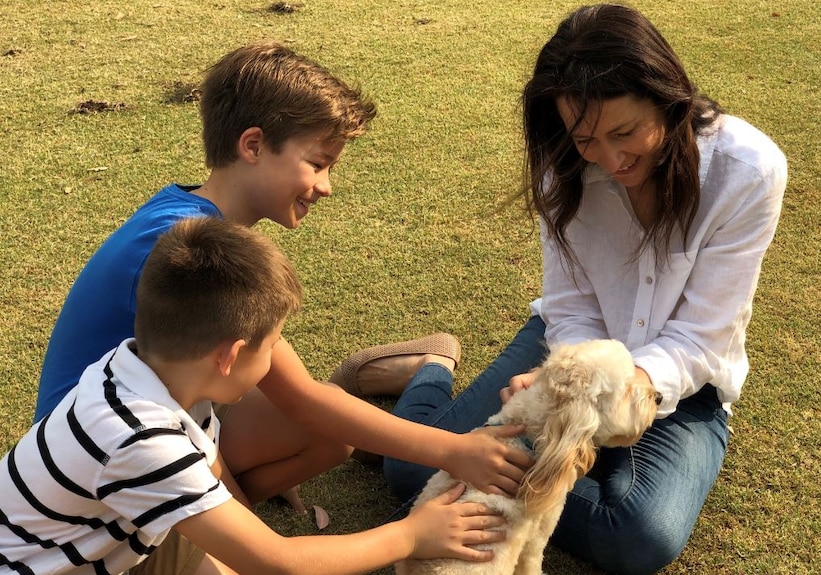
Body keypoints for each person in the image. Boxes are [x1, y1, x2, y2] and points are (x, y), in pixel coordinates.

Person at [32, 42, 531, 569]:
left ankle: (219, 506)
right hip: (102, 458)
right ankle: (212, 511)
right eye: (317, 163)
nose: (327, 186)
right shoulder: (182, 248)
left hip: (163, 411)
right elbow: (285, 406)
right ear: (253, 145)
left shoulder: (201, 226)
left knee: (329, 432)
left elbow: (300, 401)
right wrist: (450, 455)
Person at [383, 4, 787, 574]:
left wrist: (616, 395)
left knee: (640, 536)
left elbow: (702, 336)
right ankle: (428, 367)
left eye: (624, 132)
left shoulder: (748, 170)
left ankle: (552, 467)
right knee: (407, 468)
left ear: (668, 97)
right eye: (587, 139)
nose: (611, 158)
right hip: (570, 359)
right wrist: (559, 389)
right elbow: (570, 307)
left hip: (678, 382)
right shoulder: (564, 168)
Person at [0, 216, 509, 575]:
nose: (274, 359)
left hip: (116, 541)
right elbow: (279, 562)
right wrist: (412, 535)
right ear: (230, 356)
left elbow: (208, 466)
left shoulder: (146, 370)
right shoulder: (140, 441)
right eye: (271, 346)